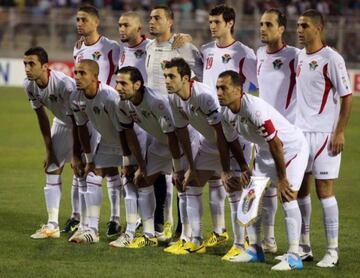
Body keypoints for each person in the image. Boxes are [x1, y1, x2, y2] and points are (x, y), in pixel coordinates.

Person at [216, 70, 309, 271]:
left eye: (224, 88)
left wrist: (282, 178)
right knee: (250, 199)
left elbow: (276, 143)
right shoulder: (225, 113)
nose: (219, 92)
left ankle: (294, 255)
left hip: (290, 149)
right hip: (266, 152)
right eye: (217, 88)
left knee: (288, 196)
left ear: (239, 90)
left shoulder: (254, 109)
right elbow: (229, 141)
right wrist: (241, 168)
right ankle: (255, 250)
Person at [163, 58, 247, 258]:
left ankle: (240, 244)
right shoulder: (174, 98)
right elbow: (181, 133)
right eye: (165, 76)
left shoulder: (204, 96)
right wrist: (190, 166)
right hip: (210, 143)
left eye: (171, 76)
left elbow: (223, 134)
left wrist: (226, 170)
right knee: (191, 183)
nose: (166, 80)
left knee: (233, 188)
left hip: (233, 141)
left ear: (185, 78)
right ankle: (196, 240)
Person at [112, 66, 196, 248]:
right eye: (117, 83)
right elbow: (129, 135)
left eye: (123, 83)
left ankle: (187, 237)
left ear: (137, 84)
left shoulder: (157, 102)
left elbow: (174, 136)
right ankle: (149, 235)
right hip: (162, 142)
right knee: (142, 179)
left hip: (183, 142)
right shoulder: (122, 103)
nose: (118, 87)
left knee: (184, 186)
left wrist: (177, 169)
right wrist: (140, 165)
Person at [296, 9, 352, 267]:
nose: (299, 29)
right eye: (297, 25)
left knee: (324, 191)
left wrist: (339, 130)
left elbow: (346, 96)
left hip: (324, 135)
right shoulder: (299, 57)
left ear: (318, 29)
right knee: (300, 191)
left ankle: (332, 250)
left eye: (304, 25)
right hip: (300, 134)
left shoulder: (332, 58)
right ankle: (304, 245)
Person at [200, 4, 257, 252]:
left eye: (217, 22)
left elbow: (255, 88)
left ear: (230, 23)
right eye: (210, 22)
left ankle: (245, 241)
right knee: (213, 178)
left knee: (238, 183)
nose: (212, 26)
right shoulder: (205, 51)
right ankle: (221, 232)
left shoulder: (244, 53)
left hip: (236, 125)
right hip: (210, 125)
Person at [145, 5, 203, 241]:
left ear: (170, 22)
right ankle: (158, 224)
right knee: (157, 172)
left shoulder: (184, 47)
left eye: (157, 18)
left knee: (182, 174)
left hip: (180, 121)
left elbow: (199, 77)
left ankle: (183, 229)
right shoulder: (149, 46)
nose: (152, 21)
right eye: (150, 18)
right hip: (155, 121)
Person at [70, 5, 122, 237]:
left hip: (108, 110)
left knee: (111, 168)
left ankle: (116, 218)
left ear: (96, 22)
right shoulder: (78, 48)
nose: (79, 23)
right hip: (87, 109)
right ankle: (81, 219)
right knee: (86, 164)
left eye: (84, 19)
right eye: (78, 19)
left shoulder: (111, 47)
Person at [23, 46, 82, 239]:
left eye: (32, 64)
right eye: (25, 63)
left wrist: (75, 154)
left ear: (45, 66)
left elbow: (78, 119)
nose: (27, 68)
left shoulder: (64, 84)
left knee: (84, 171)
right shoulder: (29, 85)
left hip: (83, 125)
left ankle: (86, 222)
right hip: (61, 122)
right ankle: (52, 225)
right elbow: (41, 117)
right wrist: (49, 151)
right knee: (52, 167)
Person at [256, 8, 300, 253]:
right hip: (263, 131)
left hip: (287, 133)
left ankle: (300, 245)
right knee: (265, 187)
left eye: (269, 24)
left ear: (282, 29)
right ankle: (269, 240)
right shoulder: (259, 53)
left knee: (290, 190)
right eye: (261, 24)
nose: (263, 28)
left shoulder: (295, 56)